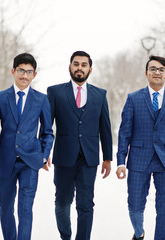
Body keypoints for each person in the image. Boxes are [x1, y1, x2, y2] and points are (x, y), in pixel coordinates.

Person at [0, 53, 54, 240]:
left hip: (31, 161)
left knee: (25, 208)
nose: (24, 75)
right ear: (13, 71)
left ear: (34, 75)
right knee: (5, 206)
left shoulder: (41, 99)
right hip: (7, 161)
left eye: (29, 72)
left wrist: (44, 154)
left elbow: (47, 132)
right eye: (21, 70)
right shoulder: (0, 98)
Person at [47, 51, 112, 240]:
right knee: (62, 203)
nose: (79, 68)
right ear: (70, 67)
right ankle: (65, 236)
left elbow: (105, 128)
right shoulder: (55, 92)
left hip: (88, 158)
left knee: (86, 204)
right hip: (64, 157)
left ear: (90, 69)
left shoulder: (100, 95)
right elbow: (47, 126)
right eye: (76, 64)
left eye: (84, 65)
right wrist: (44, 152)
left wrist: (107, 157)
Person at [116, 55, 165, 240]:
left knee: (164, 209)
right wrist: (121, 161)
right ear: (146, 73)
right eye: (153, 69)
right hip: (138, 159)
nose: (157, 72)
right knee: (135, 205)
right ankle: (139, 232)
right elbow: (124, 133)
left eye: (161, 69)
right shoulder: (133, 99)